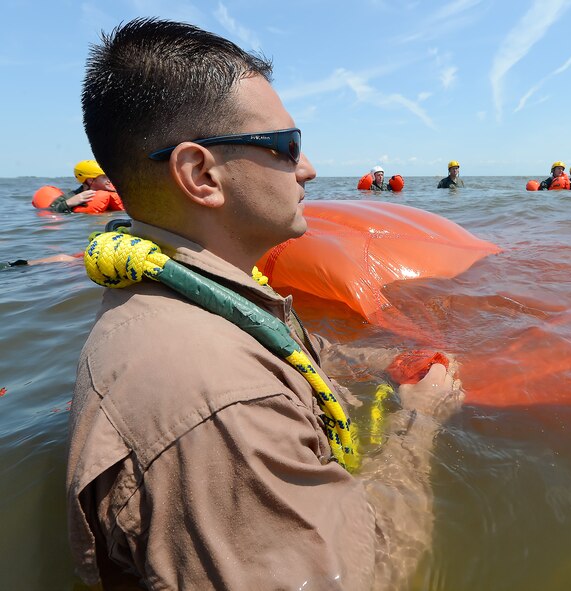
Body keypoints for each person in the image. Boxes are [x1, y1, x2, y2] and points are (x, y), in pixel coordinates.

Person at [66, 18, 461, 590]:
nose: (308, 169)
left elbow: (297, 349)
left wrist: (383, 364)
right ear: (201, 174)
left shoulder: (202, 294)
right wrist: (422, 419)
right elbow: (356, 580)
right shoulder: (216, 401)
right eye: (287, 147)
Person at [41, 160, 117, 213]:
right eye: (104, 177)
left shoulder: (119, 192)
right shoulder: (70, 197)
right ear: (90, 180)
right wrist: (69, 203)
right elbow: (49, 212)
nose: (110, 179)